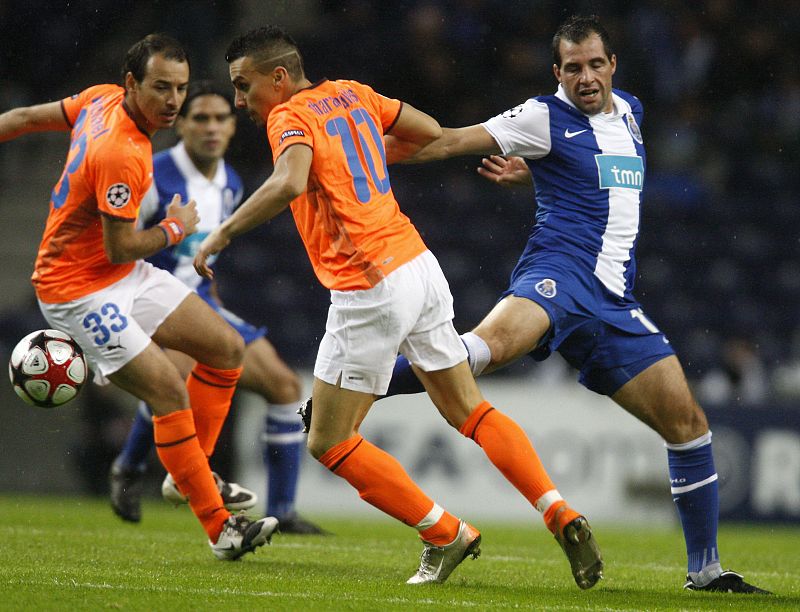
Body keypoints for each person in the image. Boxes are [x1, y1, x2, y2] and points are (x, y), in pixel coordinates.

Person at [193, 25, 603, 589]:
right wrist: (362, 151)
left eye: (244, 85)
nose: (241, 100)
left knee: (329, 440)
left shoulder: (290, 116)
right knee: (469, 411)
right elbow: (430, 132)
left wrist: (222, 234)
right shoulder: (355, 93)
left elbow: (288, 183)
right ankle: (557, 509)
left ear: (279, 77)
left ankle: (444, 533)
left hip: (368, 285)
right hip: (418, 264)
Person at [375, 14, 770, 594]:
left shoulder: (631, 111)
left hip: (614, 300)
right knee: (487, 350)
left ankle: (706, 572)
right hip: (561, 274)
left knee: (689, 426)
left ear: (613, 66)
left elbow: (602, 185)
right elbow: (449, 141)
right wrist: (362, 154)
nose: (585, 77)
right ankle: (361, 383)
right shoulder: (541, 115)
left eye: (594, 64)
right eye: (572, 68)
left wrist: (536, 178)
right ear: (556, 72)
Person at [0, 34, 277, 560]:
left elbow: (23, 119)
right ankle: (221, 528)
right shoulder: (122, 151)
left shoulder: (98, 98)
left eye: (180, 88)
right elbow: (122, 243)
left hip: (120, 273)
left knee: (226, 349)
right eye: (160, 88)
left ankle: (193, 472)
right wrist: (175, 228)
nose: (173, 101)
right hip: (76, 289)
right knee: (169, 390)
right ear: (132, 83)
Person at [109, 80, 325, 535]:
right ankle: (136, 469)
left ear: (232, 126)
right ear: (182, 125)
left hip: (201, 301)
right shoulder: (151, 174)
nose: (211, 127)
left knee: (286, 388)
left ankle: (283, 512)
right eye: (200, 118)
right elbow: (119, 246)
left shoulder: (230, 181)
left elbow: (205, 260)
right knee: (177, 380)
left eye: (220, 118)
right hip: (149, 299)